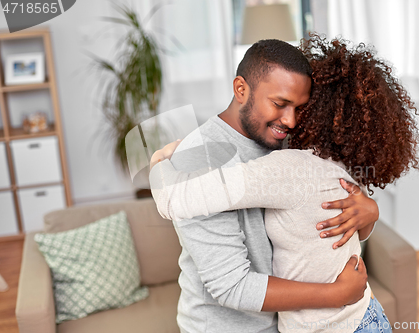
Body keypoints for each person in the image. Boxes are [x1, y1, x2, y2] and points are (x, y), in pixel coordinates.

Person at [150, 38, 380, 333]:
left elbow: (323, 232)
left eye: (299, 107)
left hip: (285, 323)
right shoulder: (198, 160)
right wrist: (336, 294)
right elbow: (232, 287)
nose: (291, 120)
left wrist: (369, 212)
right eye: (279, 104)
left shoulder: (285, 143)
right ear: (241, 89)